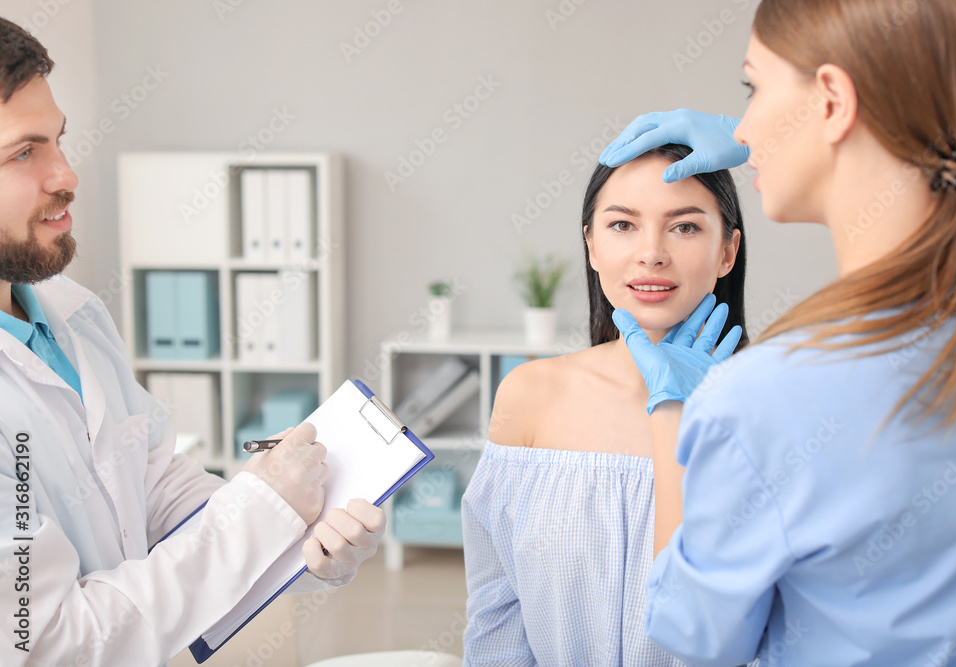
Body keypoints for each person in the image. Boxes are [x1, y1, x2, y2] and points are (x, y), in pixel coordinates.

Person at [601, 0, 956, 665]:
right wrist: (789, 134)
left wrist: (676, 409)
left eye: (752, 89)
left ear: (833, 100)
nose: (744, 126)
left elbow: (695, 635)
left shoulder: (764, 398)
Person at [0, 18, 385, 666]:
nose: (66, 174)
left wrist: (299, 527)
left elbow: (155, 488)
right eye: (23, 152)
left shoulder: (75, 314)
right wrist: (262, 514)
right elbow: (44, 644)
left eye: (59, 140)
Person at [461, 143, 747, 666]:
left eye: (684, 226)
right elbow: (497, 611)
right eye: (622, 225)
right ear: (591, 246)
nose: (651, 253)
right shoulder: (530, 395)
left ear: (726, 252)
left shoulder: (775, 405)